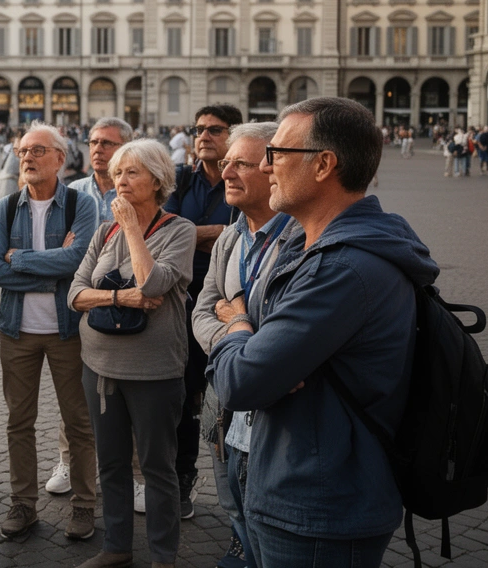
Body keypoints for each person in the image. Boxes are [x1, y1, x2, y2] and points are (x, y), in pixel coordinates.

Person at [207, 97, 437, 568]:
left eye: (277, 155)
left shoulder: (341, 268)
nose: (266, 168)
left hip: (318, 505)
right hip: (303, 483)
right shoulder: (323, 250)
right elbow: (260, 367)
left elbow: (241, 382)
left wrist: (236, 325)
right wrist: (259, 348)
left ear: (323, 165)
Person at [68, 139, 195, 568]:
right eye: (117, 173)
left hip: (155, 371)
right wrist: (120, 298)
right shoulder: (103, 231)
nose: (120, 181)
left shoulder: (179, 230)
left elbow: (155, 283)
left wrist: (134, 230)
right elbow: (75, 295)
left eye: (132, 173)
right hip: (99, 368)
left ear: (157, 180)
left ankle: (163, 556)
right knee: (112, 463)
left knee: (158, 468)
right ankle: (117, 547)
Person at [189, 122, 302, 568]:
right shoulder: (232, 236)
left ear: (274, 170)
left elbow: (283, 339)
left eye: (241, 163)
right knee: (233, 503)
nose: (226, 172)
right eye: (225, 162)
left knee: (270, 514)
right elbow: (202, 310)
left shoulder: (302, 238)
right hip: (224, 404)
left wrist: (235, 320)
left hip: (275, 414)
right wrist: (241, 333)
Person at [0, 123, 99, 541]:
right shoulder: (5, 207)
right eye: (22, 151)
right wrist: (52, 269)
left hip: (68, 330)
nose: (28, 158)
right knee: (19, 421)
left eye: (37, 150)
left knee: (79, 423)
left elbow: (79, 261)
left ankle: (85, 506)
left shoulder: (80, 206)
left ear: (59, 158)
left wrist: (23, 258)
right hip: (16, 331)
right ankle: (23, 504)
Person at [46, 116, 133, 496]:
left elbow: (82, 252)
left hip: (125, 308)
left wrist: (76, 251)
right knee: (76, 394)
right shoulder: (71, 191)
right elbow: (58, 253)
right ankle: (69, 462)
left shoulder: (135, 190)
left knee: (129, 392)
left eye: (108, 144)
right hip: (78, 306)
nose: (98, 149)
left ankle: (136, 473)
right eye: (95, 142)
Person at [161, 104, 241, 518]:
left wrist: (188, 235)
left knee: (233, 399)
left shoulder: (246, 178)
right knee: (186, 399)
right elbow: (163, 230)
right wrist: (222, 233)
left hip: (235, 306)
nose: (204, 135)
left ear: (235, 134)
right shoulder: (180, 178)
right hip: (184, 302)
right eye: (199, 129)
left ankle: (241, 497)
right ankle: (183, 480)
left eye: (215, 129)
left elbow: (253, 231)